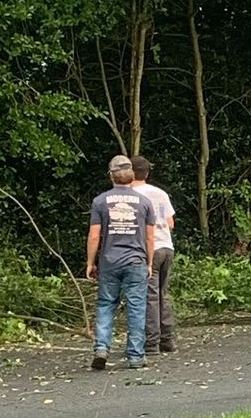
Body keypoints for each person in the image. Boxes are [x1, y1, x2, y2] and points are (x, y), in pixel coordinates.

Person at [85, 155, 153, 371]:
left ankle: (102, 348)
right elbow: (150, 237)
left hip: (109, 262)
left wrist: (90, 262)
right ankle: (135, 356)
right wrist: (149, 263)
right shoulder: (144, 202)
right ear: (132, 175)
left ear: (111, 175)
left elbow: (95, 235)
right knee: (136, 307)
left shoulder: (100, 201)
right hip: (135, 261)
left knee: (106, 305)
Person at [128, 154, 177, 354]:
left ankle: (151, 343)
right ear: (147, 173)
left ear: (130, 172)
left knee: (149, 296)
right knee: (162, 294)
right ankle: (167, 340)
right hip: (167, 247)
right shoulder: (160, 193)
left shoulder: (130, 195)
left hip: (150, 248)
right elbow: (171, 223)